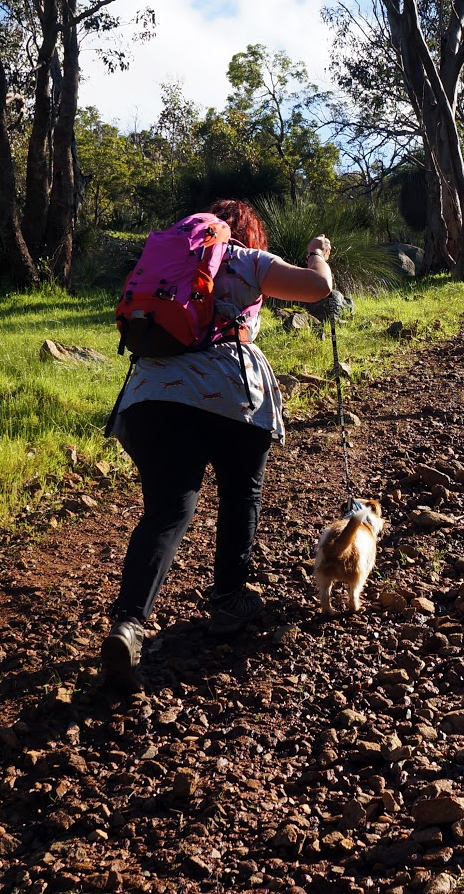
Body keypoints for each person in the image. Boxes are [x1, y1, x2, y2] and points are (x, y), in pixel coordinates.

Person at [101, 198, 334, 689]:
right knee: (240, 491)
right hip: (229, 393)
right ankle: (229, 600)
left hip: (151, 395)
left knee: (167, 510)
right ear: (246, 233)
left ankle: (129, 624)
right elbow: (317, 290)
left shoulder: (167, 264)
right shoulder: (245, 259)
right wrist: (318, 253)